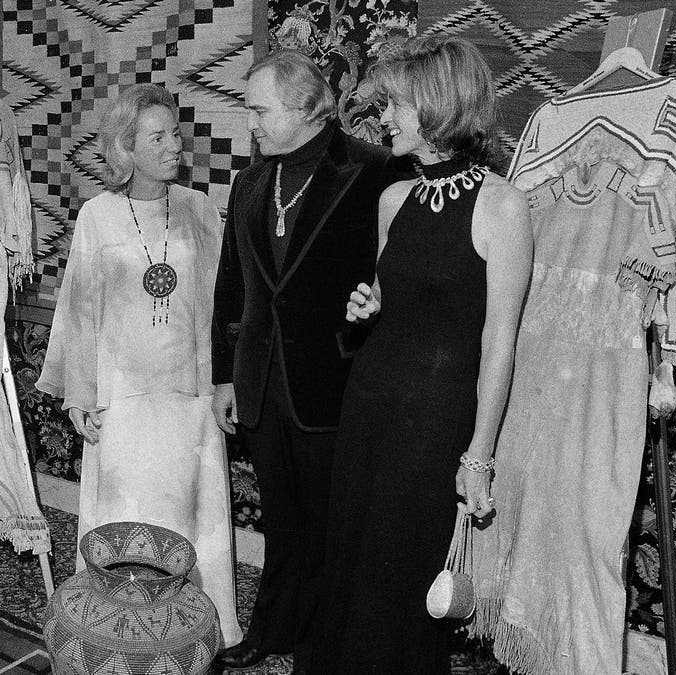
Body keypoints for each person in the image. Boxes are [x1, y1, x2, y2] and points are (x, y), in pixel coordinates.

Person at [304, 35, 533, 673]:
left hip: (437, 424)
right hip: (371, 404)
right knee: (352, 559)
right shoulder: (391, 199)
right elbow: (392, 298)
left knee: (407, 578)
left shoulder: (503, 207)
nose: (385, 119)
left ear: (436, 107)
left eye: (396, 105)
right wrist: (366, 306)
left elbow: (500, 344)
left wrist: (479, 457)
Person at [210, 49, 410, 671]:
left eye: (258, 110)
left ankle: (320, 651)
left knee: (331, 527)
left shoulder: (376, 170)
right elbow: (231, 285)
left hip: (334, 385)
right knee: (282, 521)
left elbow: (402, 276)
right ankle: (273, 629)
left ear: (305, 108)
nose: (251, 124)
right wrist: (224, 375)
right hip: (260, 384)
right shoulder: (249, 181)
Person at [35, 83, 243, 650]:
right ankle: (120, 638)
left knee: (189, 522)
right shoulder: (97, 217)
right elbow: (78, 311)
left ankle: (197, 635)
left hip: (189, 399)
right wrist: (80, 396)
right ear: (126, 150)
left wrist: (224, 382)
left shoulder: (200, 211)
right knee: (130, 520)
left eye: (175, 133)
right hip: (124, 401)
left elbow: (225, 309)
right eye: (158, 137)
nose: (175, 145)